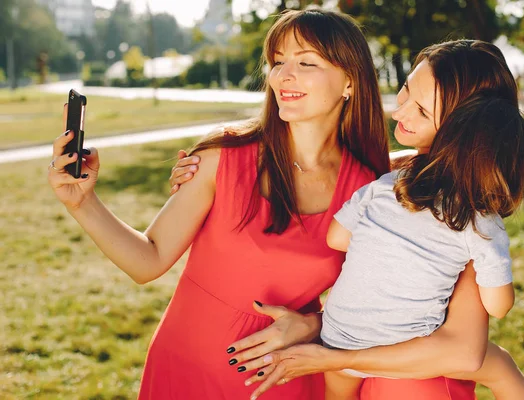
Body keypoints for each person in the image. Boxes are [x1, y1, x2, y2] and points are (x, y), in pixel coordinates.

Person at [171, 39, 524, 400]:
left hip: (414, 387)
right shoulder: (393, 177)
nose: (399, 111)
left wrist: (337, 357)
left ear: (470, 126)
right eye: (405, 90)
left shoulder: (464, 210)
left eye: (422, 109)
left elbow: (464, 351)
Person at [48, 8, 389, 400]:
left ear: (350, 81)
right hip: (186, 369)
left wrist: (314, 324)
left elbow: (376, 307)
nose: (283, 75)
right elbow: (149, 260)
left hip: (283, 382)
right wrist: (83, 203)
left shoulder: (367, 189)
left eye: (306, 62)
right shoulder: (224, 157)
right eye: (278, 62)